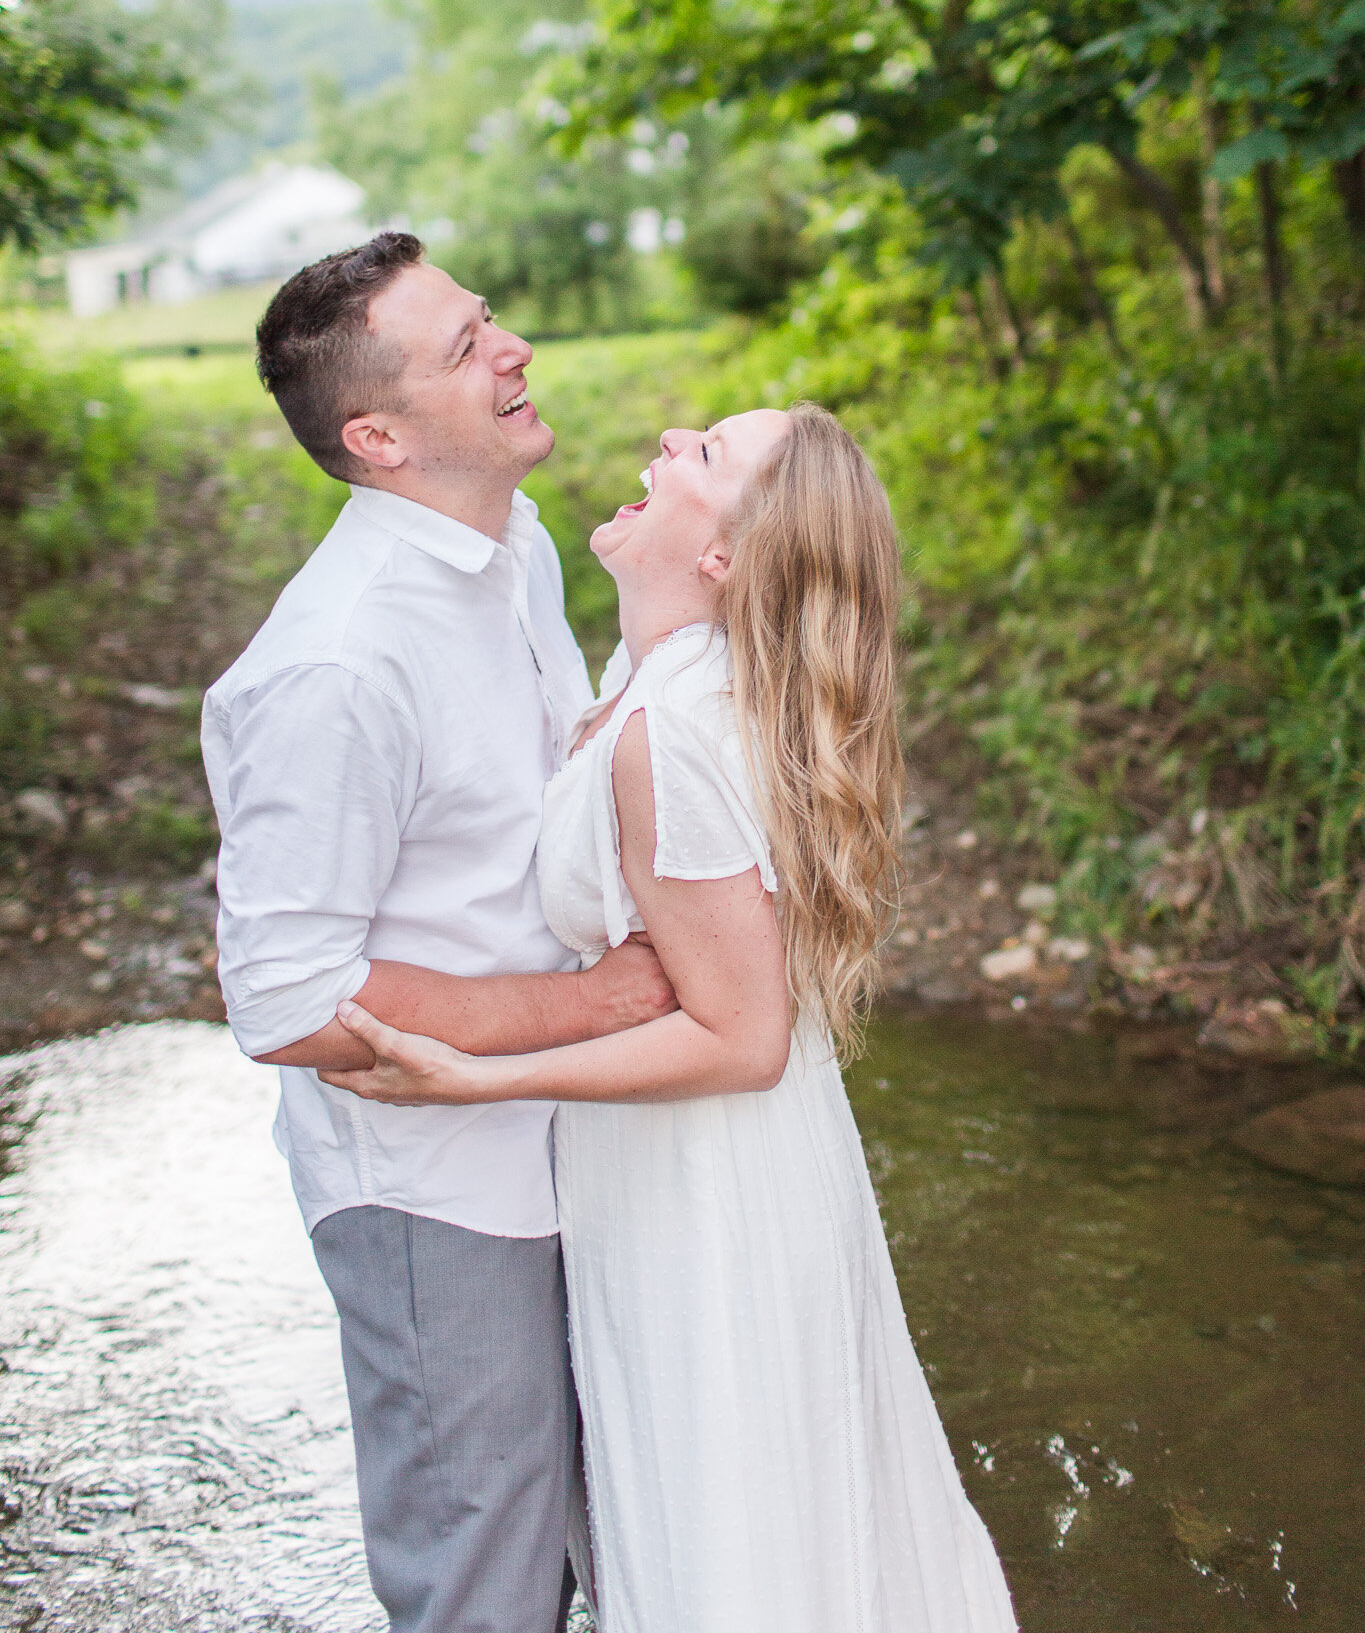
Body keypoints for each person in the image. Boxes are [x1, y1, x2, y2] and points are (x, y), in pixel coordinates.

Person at [324, 402, 1019, 1632]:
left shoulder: (673, 730)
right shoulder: (655, 684)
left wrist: (475, 1076)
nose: (665, 442)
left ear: (724, 559)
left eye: (703, 454)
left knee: (734, 1529)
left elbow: (741, 1038)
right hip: (690, 1168)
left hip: (712, 1190)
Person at [201, 231, 678, 1633]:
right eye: (467, 346)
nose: (512, 346)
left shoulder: (513, 542)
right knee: (484, 1576)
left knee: (620, 1533)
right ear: (379, 436)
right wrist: (597, 1008)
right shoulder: (333, 665)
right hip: (435, 1188)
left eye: (490, 317)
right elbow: (288, 1004)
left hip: (576, 1132)